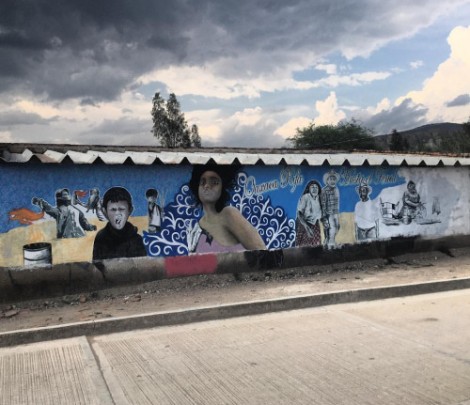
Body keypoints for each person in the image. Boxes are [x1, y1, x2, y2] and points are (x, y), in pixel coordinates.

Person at [187, 164, 267, 253]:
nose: (207, 186)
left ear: (222, 188)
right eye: (202, 182)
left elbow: (261, 251)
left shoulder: (228, 214)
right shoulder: (197, 227)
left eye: (214, 182)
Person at [92, 186, 146, 261]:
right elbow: (97, 266)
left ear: (130, 210)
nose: (117, 214)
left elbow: (142, 266)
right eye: (113, 210)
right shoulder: (101, 238)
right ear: (105, 212)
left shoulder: (137, 240)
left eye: (121, 209)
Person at [32, 188, 97, 238]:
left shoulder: (58, 211)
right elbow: (84, 223)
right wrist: (91, 227)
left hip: (66, 238)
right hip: (81, 236)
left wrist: (39, 201)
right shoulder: (77, 210)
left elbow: (48, 208)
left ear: (58, 199)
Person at [295, 180, 323, 247]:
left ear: (319, 189)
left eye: (316, 187)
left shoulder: (320, 198)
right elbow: (299, 214)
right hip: (303, 224)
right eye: (312, 187)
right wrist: (307, 228)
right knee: (304, 246)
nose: (314, 189)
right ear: (309, 189)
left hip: (315, 225)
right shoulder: (305, 197)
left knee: (316, 246)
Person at [320, 170, 341, 248]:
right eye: (330, 179)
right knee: (332, 227)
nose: (332, 181)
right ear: (327, 181)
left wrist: (337, 213)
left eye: (334, 179)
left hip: (335, 212)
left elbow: (337, 202)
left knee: (337, 226)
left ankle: (328, 240)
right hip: (328, 213)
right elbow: (323, 204)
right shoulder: (324, 190)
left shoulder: (336, 189)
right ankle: (331, 244)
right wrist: (324, 218)